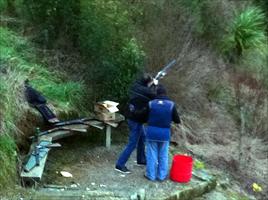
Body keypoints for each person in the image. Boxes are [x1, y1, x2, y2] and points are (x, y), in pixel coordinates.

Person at [115, 74, 156, 173]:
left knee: (142, 137)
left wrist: (151, 83)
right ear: (147, 83)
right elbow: (155, 95)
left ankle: (141, 159)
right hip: (136, 120)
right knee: (132, 143)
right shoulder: (146, 91)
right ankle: (120, 165)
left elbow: (146, 91)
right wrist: (155, 85)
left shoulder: (136, 87)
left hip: (132, 117)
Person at [145, 85, 180, 181]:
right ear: (165, 94)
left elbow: (145, 117)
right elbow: (177, 120)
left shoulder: (151, 104)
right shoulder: (171, 105)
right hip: (164, 134)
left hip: (151, 133)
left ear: (157, 93)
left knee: (151, 155)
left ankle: (150, 175)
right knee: (163, 156)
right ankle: (161, 176)